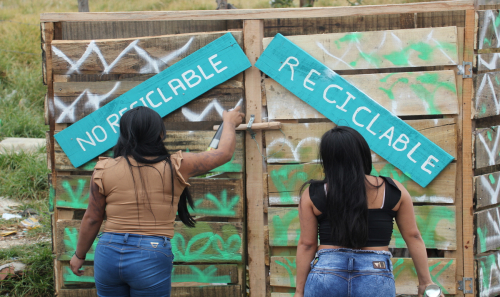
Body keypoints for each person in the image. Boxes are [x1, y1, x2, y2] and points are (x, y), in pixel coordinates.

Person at [69, 106, 244, 297]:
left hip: (107, 252)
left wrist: (79, 255)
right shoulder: (177, 165)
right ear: (160, 134)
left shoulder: (103, 169)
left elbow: (92, 218)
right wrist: (229, 122)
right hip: (150, 254)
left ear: (124, 134)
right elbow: (224, 153)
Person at [294, 126, 444, 297]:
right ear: (363, 153)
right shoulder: (393, 190)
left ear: (328, 158)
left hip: (327, 273)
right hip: (375, 274)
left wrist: (299, 292)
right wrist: (426, 282)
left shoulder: (313, 193)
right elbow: (413, 236)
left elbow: (307, 245)